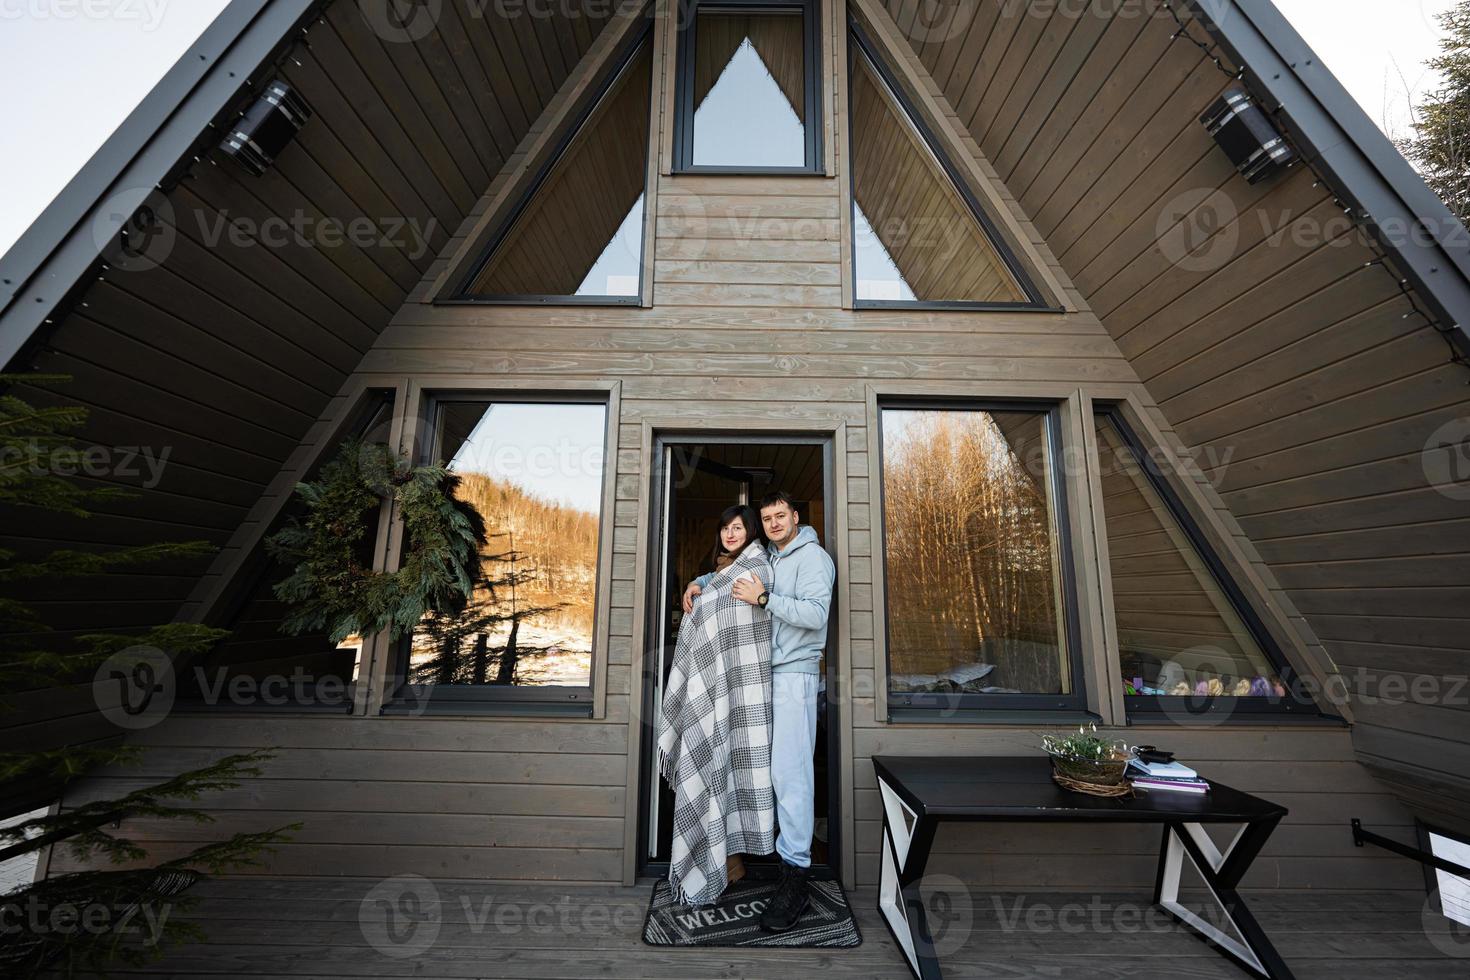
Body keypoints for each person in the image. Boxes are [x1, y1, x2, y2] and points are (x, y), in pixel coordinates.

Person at [683, 490, 834, 932]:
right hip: (761, 678)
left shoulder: (814, 559)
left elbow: (816, 614)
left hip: (793, 678)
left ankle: (796, 881)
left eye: (779, 516)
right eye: (766, 518)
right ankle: (740, 856)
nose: (772, 523)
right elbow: (737, 575)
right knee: (759, 771)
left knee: (791, 776)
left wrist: (765, 600)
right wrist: (700, 582)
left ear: (795, 517)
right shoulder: (769, 555)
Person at [658, 505, 775, 907]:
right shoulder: (721, 572)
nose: (730, 533)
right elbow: (717, 588)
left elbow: (745, 602)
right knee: (713, 768)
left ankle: (730, 859)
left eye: (738, 527)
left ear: (750, 532)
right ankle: (728, 861)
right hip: (713, 691)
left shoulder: (761, 563)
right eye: (725, 527)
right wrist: (699, 581)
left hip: (744, 690)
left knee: (730, 769)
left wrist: (706, 587)